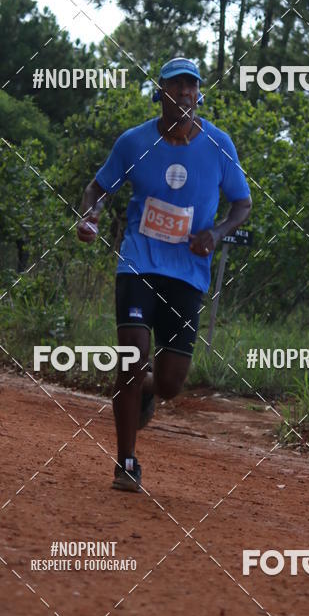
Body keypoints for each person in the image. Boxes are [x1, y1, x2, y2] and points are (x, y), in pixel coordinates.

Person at [77, 57, 252, 491]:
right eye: (177, 87)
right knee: (132, 359)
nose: (185, 94)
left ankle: (147, 388)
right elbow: (98, 187)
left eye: (192, 87)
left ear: (199, 95)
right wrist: (90, 214)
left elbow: (242, 203)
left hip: (188, 274)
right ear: (161, 93)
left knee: (171, 383)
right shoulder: (134, 142)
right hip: (138, 262)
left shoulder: (218, 145)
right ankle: (126, 463)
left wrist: (216, 233)